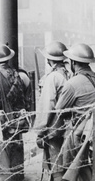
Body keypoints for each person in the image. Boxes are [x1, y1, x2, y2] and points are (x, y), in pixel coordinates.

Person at [0, 43, 29, 181]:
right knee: (15, 155)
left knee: (2, 156)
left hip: (1, 122)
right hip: (17, 121)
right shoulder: (17, 73)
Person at [54, 43, 95, 181]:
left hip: (78, 132)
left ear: (74, 62)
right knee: (86, 166)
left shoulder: (73, 83)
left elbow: (59, 110)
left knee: (77, 166)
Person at [34, 41, 69, 181]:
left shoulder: (53, 77)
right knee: (64, 161)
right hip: (67, 125)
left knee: (56, 165)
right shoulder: (68, 73)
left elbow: (47, 105)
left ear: (50, 60)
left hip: (54, 127)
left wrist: (40, 131)